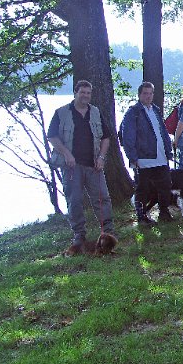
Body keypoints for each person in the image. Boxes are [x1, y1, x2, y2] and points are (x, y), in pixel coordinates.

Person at [48, 80, 115, 249]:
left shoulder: (95, 112)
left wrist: (101, 157)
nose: (85, 96)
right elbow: (52, 137)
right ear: (75, 93)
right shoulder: (61, 113)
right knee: (75, 200)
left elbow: (106, 137)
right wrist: (66, 153)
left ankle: (108, 232)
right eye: (82, 92)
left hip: (94, 164)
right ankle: (79, 234)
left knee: (102, 198)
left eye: (88, 93)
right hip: (72, 167)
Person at [121, 82, 174, 223]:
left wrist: (168, 151)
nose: (148, 96)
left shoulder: (156, 110)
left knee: (165, 185)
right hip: (143, 158)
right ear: (139, 95)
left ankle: (164, 213)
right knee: (143, 189)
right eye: (145, 93)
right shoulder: (133, 112)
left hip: (161, 157)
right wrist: (133, 157)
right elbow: (128, 136)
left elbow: (163, 132)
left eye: (150, 93)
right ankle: (142, 216)